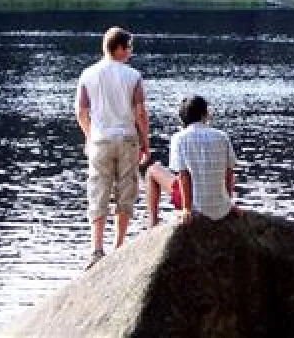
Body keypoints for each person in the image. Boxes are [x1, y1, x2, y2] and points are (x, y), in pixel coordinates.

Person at [76, 27, 150, 269]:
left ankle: (97, 249)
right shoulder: (134, 76)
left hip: (99, 141)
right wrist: (146, 142)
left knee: (98, 190)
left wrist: (90, 136)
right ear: (118, 48)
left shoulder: (87, 74)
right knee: (126, 190)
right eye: (128, 47)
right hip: (127, 138)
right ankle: (119, 246)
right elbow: (140, 113)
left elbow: (81, 113)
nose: (130, 52)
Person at [145, 95, 239, 227]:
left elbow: (183, 175)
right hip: (221, 208)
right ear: (204, 114)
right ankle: (224, 203)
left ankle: (153, 223)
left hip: (196, 206)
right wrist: (228, 203)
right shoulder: (222, 136)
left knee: (152, 170)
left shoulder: (179, 138)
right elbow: (229, 173)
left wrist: (187, 209)